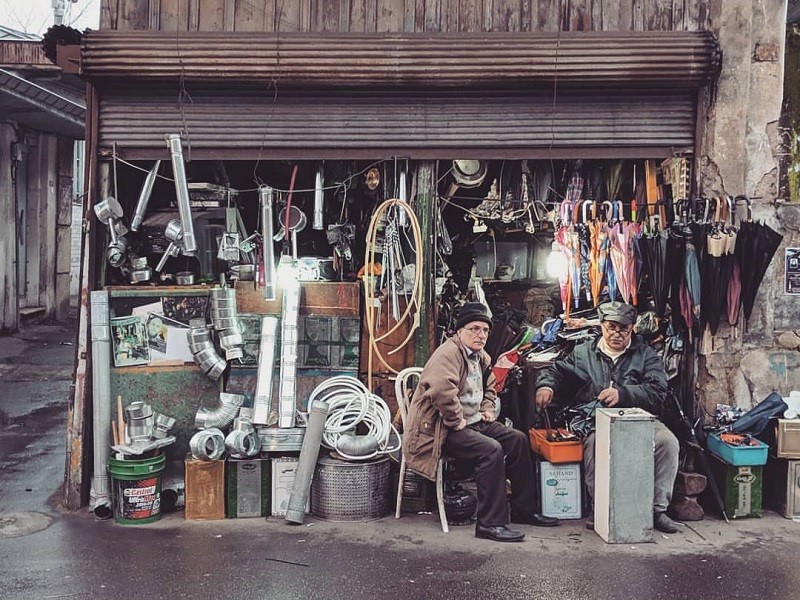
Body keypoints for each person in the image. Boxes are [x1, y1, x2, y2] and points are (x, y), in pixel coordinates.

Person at [403, 302, 559, 543]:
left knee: (517, 439)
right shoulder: (448, 354)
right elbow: (441, 391)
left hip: (473, 421)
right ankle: (490, 524)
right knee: (491, 450)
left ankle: (523, 509)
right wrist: (457, 421)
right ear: (459, 331)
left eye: (485, 330)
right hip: (442, 429)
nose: (481, 335)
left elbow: (491, 386)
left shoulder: (481, 357)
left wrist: (486, 409)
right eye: (474, 329)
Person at [534, 301, 682, 534]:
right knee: (594, 444)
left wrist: (623, 393)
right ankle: (600, 507)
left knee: (667, 442)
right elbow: (556, 372)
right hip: (596, 419)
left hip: (638, 419)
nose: (617, 334)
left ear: (632, 328)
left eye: (623, 328)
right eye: (611, 327)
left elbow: (658, 391)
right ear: (602, 326)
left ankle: (657, 510)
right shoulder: (584, 353)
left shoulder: (645, 354)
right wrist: (546, 387)